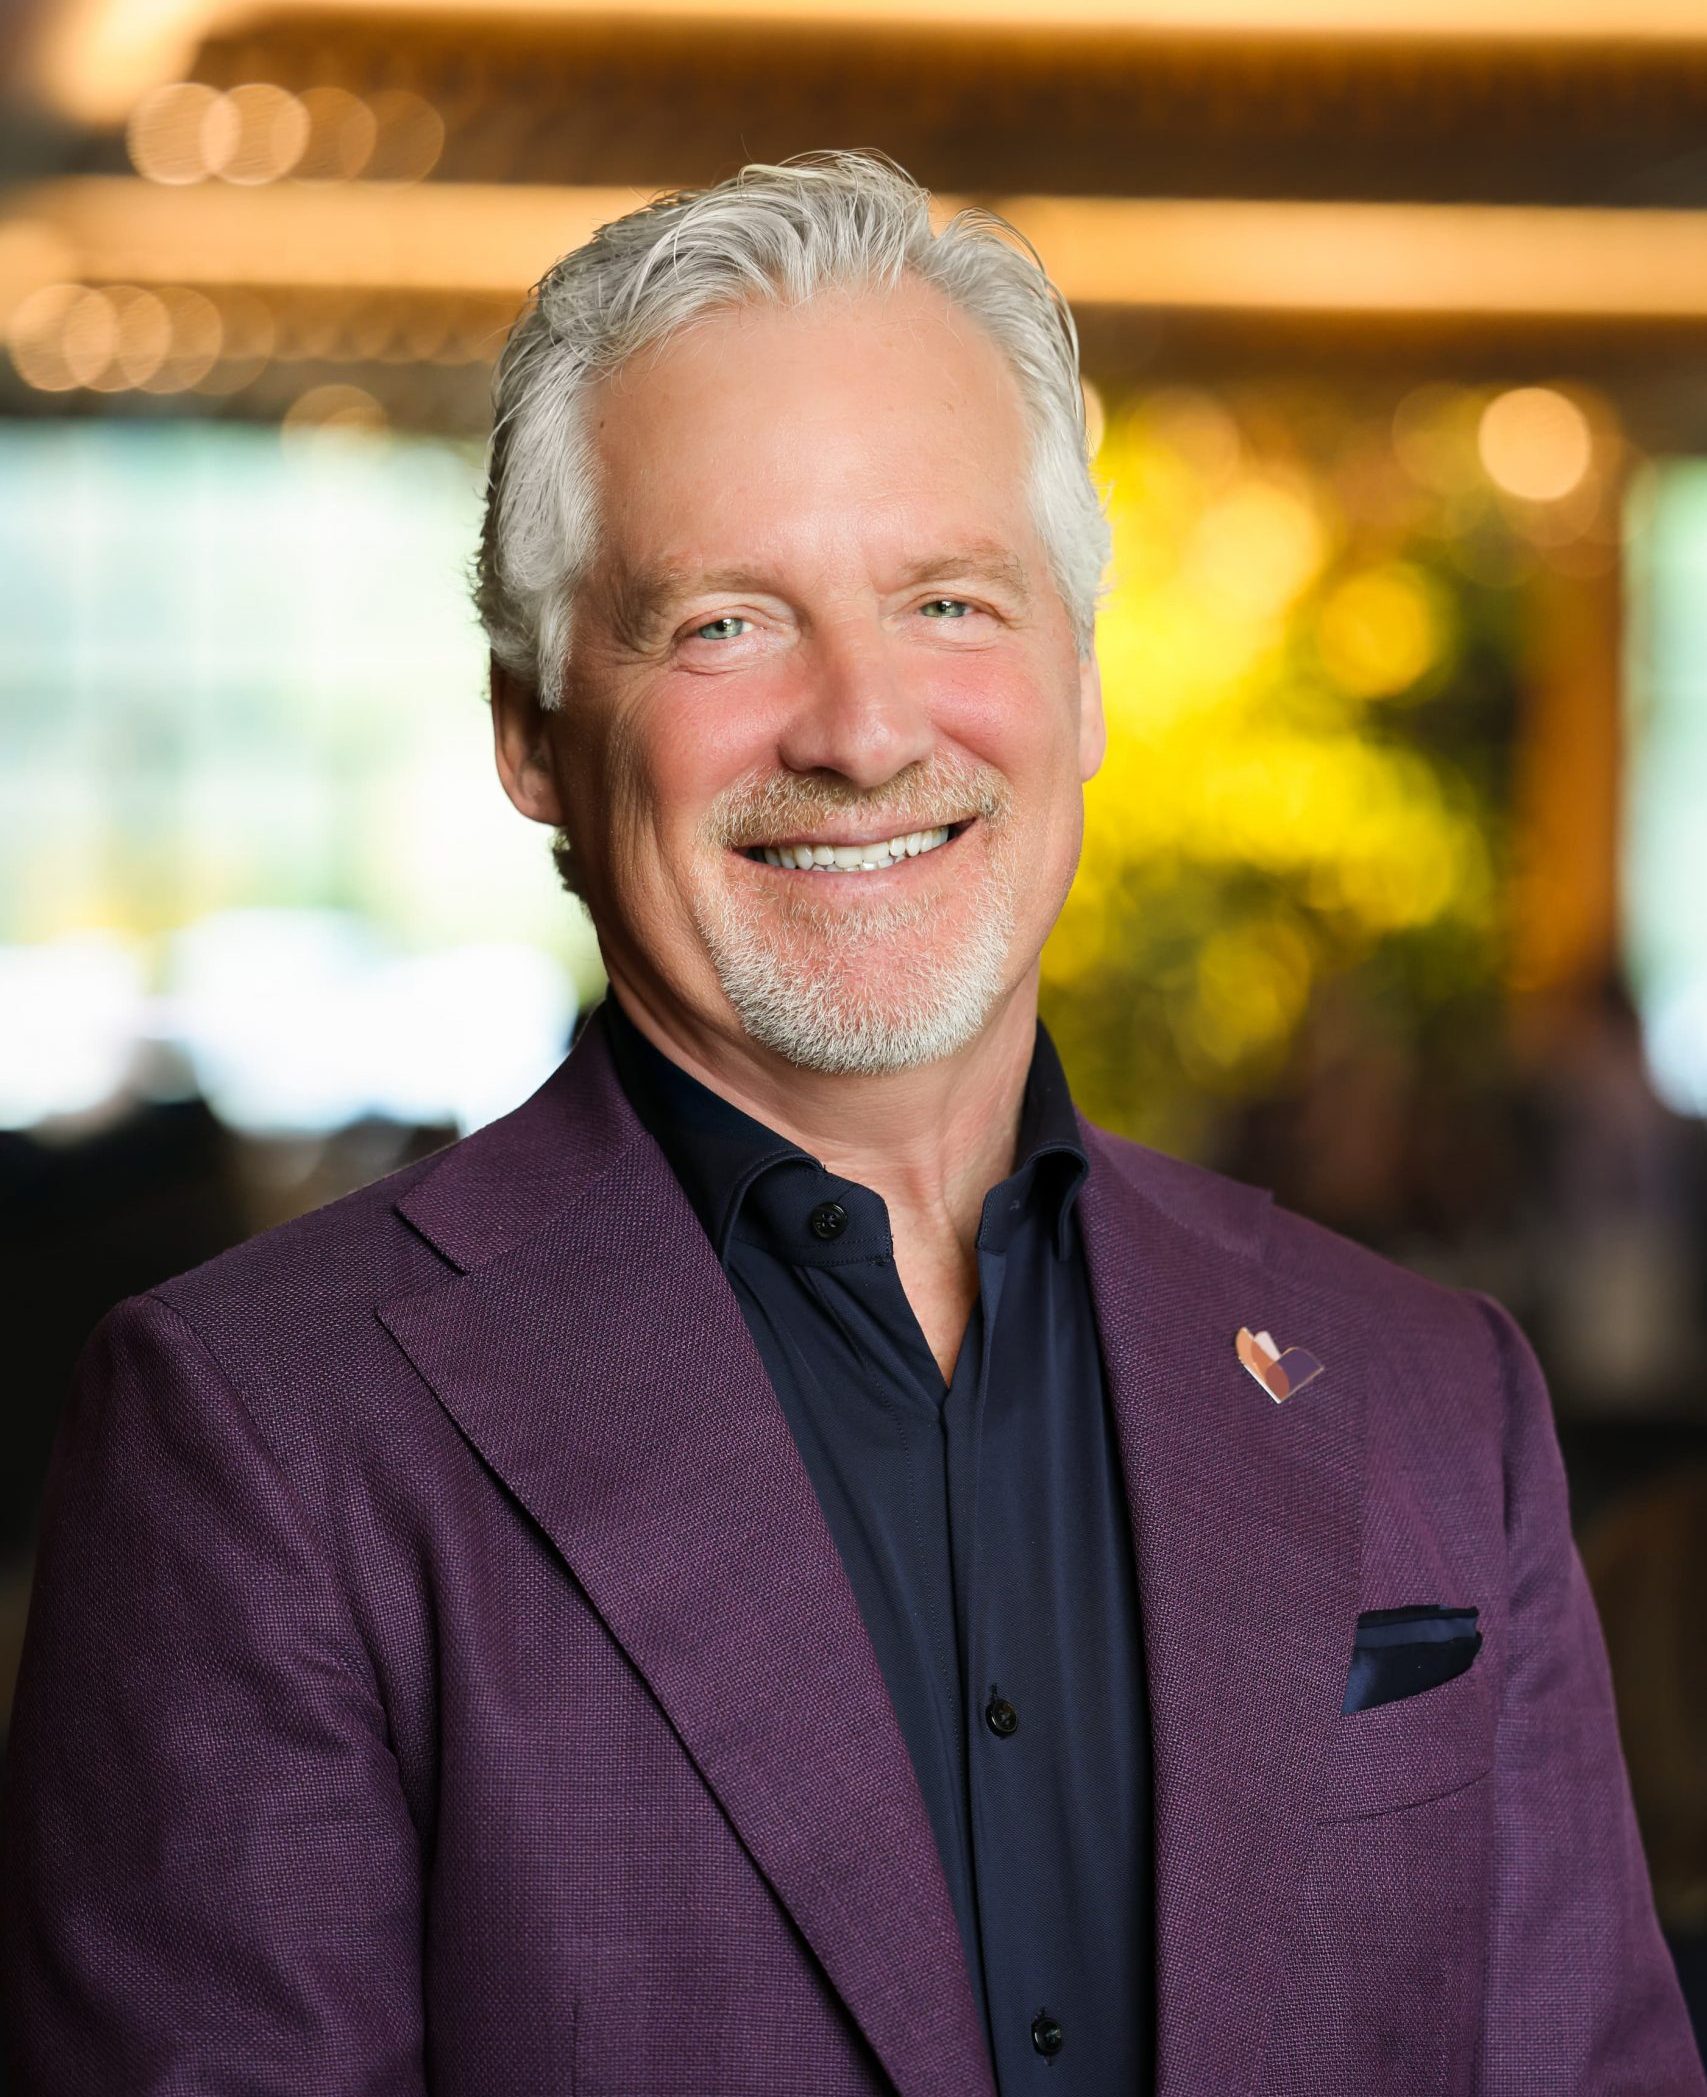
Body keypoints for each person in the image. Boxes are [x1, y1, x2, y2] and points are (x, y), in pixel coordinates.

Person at [1, 153, 1698, 2097]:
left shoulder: (1422, 1395)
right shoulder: (256, 1438)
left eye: (949, 598)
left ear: (1076, 680)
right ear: (531, 729)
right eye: (724, 623)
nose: (863, 726)